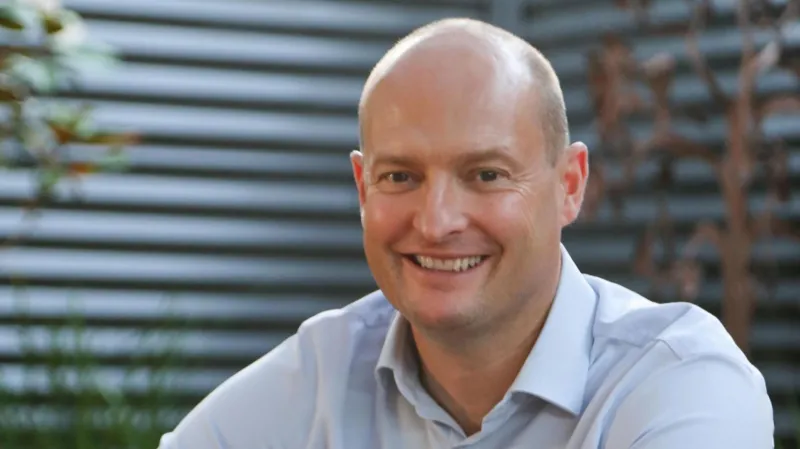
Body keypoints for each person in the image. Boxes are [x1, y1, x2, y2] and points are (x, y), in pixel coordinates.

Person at [158, 18, 774, 449]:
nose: (437, 221)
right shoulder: (320, 375)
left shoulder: (681, 384)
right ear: (361, 187)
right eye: (401, 176)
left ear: (569, 184)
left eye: (485, 174)